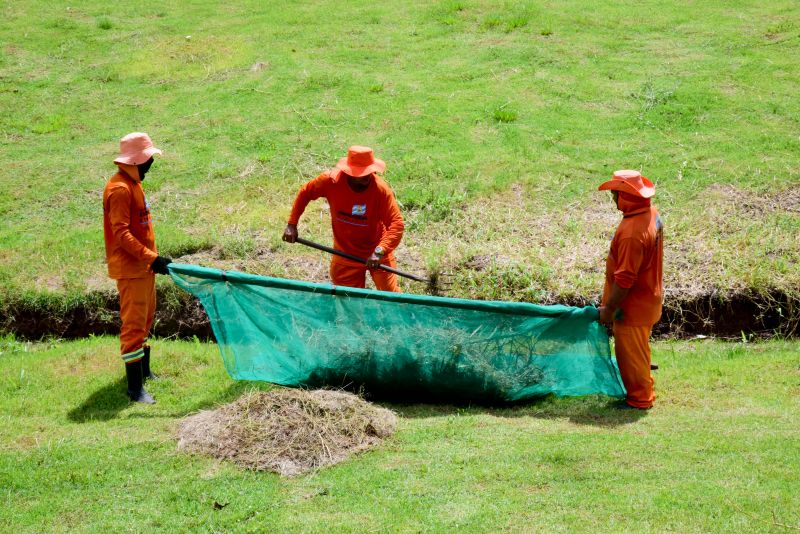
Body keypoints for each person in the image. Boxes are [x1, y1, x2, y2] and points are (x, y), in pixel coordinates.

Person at [103, 132, 172, 404]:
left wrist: (152, 259)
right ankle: (135, 390)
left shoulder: (134, 183)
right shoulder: (119, 189)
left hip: (144, 266)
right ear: (135, 161)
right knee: (133, 325)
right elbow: (121, 233)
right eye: (147, 160)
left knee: (145, 319)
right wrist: (150, 257)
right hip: (132, 269)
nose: (150, 164)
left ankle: (143, 372)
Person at [283, 146, 405, 292]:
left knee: (390, 297)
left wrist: (380, 251)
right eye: (362, 174)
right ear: (349, 172)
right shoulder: (330, 182)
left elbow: (396, 224)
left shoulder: (380, 190)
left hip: (377, 249)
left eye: (370, 172)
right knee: (349, 301)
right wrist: (292, 224)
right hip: (345, 253)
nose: (368, 177)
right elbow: (306, 192)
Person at [597, 170, 663, 410]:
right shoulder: (651, 214)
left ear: (627, 198)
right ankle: (645, 386)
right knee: (639, 350)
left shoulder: (632, 233)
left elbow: (625, 279)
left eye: (616, 194)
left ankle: (640, 399)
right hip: (648, 299)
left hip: (631, 307)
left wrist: (610, 308)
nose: (614, 199)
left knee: (630, 356)